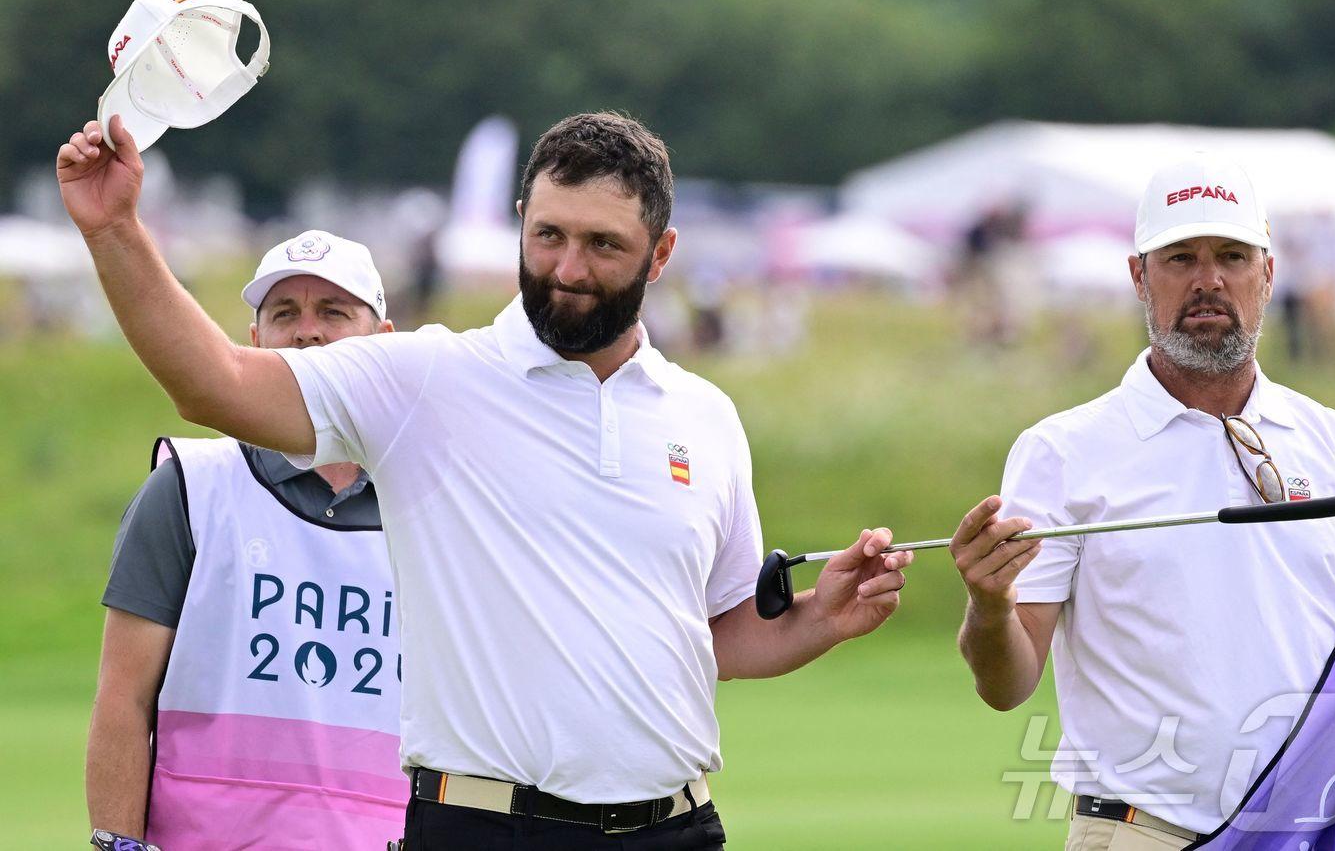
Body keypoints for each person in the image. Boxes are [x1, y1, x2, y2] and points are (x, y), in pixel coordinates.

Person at [58, 111, 912, 850]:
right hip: (486, 829)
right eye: (548, 235)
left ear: (661, 255)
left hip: (676, 827)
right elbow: (214, 384)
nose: (568, 268)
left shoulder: (706, 418)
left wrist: (820, 620)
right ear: (519, 225)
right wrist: (115, 230)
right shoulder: (429, 379)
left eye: (603, 244)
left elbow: (712, 641)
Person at [950, 153, 1335, 849]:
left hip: (1315, 833)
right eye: (1180, 258)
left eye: (1232, 256)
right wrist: (989, 606)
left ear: (1269, 273)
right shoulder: (1063, 451)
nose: (1209, 280)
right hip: (1143, 831)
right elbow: (1007, 682)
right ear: (1139, 276)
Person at [85, 230, 404, 849]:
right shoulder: (190, 488)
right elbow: (123, 702)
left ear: (382, 342)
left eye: (334, 312)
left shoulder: (434, 503)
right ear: (254, 342)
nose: (307, 330)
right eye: (284, 313)